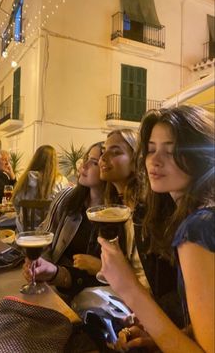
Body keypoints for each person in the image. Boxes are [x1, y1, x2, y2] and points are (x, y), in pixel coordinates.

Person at [99, 106, 214, 352]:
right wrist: (165, 339)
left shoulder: (197, 229)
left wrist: (129, 288)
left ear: (201, 156)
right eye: (151, 149)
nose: (155, 160)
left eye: (171, 151)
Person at [23, 142, 106, 299]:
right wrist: (40, 267)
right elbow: (45, 235)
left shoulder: (115, 216)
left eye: (94, 162)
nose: (84, 165)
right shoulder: (67, 198)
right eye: (86, 158)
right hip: (54, 287)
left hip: (91, 298)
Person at [12, 145, 69, 231]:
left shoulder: (23, 180)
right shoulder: (61, 181)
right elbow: (63, 208)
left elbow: (15, 203)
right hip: (49, 231)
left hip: (24, 231)